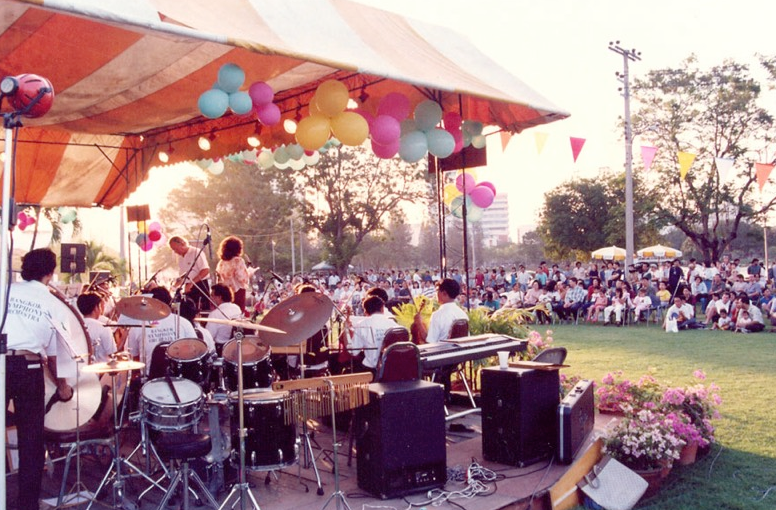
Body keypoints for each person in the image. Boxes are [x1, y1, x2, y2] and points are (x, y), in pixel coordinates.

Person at [3, 248, 73, 510]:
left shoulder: (7, 290)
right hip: (29, 367)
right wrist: (63, 385)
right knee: (31, 440)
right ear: (50, 272)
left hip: (0, 362)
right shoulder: (55, 304)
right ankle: (27, 505)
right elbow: (55, 357)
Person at [121, 286, 196, 376]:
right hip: (180, 378)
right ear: (169, 303)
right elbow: (194, 351)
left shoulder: (138, 326)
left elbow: (132, 356)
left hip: (149, 380)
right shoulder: (184, 322)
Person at [347, 295, 402, 375]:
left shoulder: (363, 324)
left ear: (365, 311)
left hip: (372, 370)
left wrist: (346, 331)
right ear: (382, 308)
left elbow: (353, 352)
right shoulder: (394, 324)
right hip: (392, 369)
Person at [413, 278, 468, 344]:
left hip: (442, 352)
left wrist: (419, 323)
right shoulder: (462, 314)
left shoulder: (437, 315)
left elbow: (430, 342)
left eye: (437, 291)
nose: (435, 294)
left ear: (444, 293)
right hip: (460, 352)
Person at [169, 235, 212, 312]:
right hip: (188, 288)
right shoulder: (180, 258)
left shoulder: (196, 252)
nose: (175, 251)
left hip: (200, 285)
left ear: (182, 244)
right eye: (173, 250)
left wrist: (192, 283)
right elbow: (183, 276)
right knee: (189, 312)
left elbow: (205, 270)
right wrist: (175, 286)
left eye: (176, 249)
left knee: (202, 311)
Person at [77, 291, 117, 362]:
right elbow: (112, 354)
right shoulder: (104, 328)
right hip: (102, 370)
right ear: (96, 308)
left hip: (80, 368)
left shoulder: (75, 326)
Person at [205, 283, 243, 354]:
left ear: (219, 297)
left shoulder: (215, 314)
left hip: (221, 349)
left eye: (212, 295)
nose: (210, 298)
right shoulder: (236, 308)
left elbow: (209, 336)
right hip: (236, 347)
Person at [216, 235, 251, 312]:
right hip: (237, 291)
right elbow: (242, 278)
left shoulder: (221, 262)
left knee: (227, 313)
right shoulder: (238, 260)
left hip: (225, 292)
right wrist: (249, 274)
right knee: (237, 313)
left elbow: (218, 278)